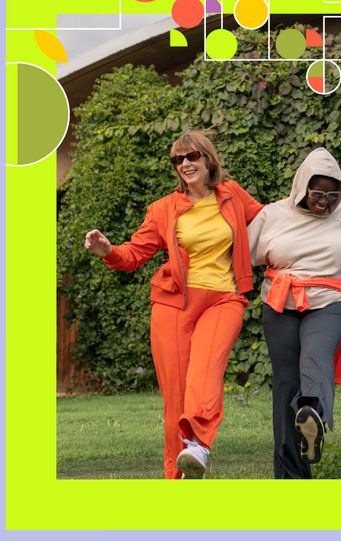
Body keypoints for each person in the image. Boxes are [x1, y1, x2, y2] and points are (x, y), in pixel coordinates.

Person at [83, 130, 263, 479]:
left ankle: (197, 445)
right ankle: (176, 480)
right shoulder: (164, 208)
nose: (184, 164)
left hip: (225, 298)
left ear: (208, 159)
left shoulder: (234, 194)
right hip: (173, 304)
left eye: (191, 156)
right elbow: (135, 253)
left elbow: (271, 221)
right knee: (175, 397)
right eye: (177, 160)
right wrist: (108, 250)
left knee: (205, 371)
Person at [247, 147, 341, 478]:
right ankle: (291, 478)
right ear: (301, 187)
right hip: (280, 302)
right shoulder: (272, 215)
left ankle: (312, 416)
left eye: (332, 194)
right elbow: (242, 254)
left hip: (330, 300)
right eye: (317, 193)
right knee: (286, 383)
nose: (324, 201)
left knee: (315, 355)